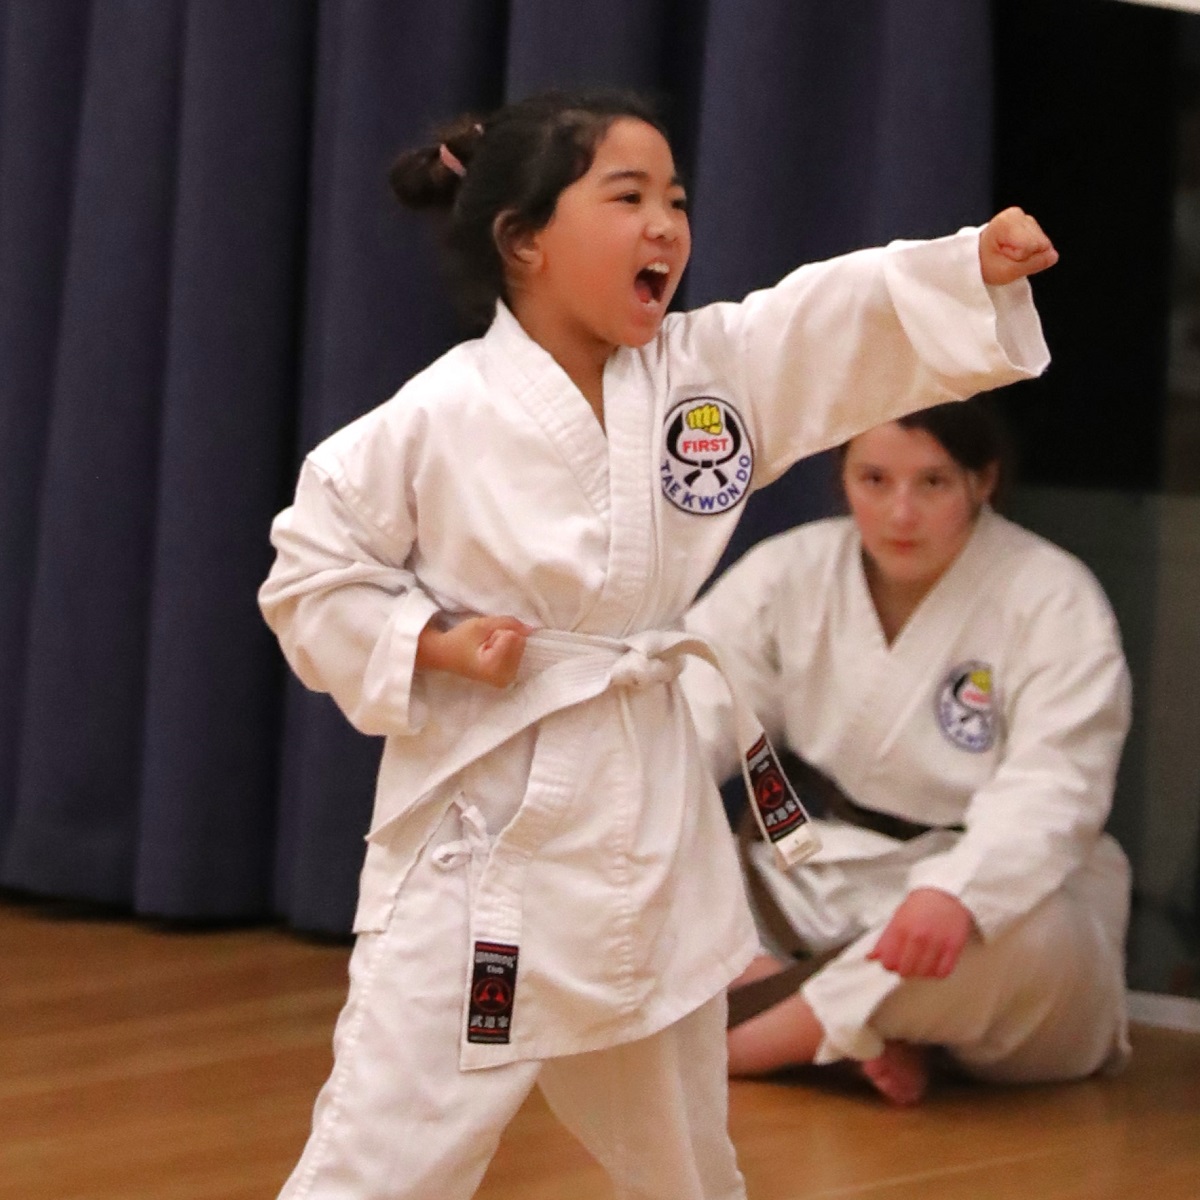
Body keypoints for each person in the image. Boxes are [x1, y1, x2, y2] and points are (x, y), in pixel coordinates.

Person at [258, 87, 1057, 1199]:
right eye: (626, 197)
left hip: (647, 833)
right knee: (386, 1153)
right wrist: (435, 641)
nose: (665, 227)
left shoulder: (702, 380)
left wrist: (969, 268)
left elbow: (818, 319)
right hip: (490, 850)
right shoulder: (432, 419)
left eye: (675, 200)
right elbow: (310, 575)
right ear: (524, 238)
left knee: (685, 1167)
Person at [682, 399, 1132, 1107]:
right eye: (875, 480)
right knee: (633, 839)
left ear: (982, 481)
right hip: (807, 888)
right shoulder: (788, 577)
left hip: (982, 899)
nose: (900, 513)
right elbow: (685, 720)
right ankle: (839, 1023)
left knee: (1036, 938)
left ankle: (760, 1039)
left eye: (932, 483)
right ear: (843, 477)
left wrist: (958, 891)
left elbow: (1059, 782)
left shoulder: (1053, 597)